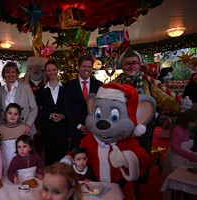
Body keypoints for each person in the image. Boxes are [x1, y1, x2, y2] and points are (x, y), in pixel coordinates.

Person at [111, 46, 189, 198]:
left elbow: (164, 99)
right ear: (122, 66)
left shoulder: (149, 83)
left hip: (144, 128)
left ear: (139, 65)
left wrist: (179, 104)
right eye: (128, 64)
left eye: (135, 63)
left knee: (141, 156)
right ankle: (123, 183)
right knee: (123, 156)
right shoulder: (115, 83)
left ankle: (138, 185)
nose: (132, 66)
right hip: (123, 129)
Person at [64, 54, 103, 150]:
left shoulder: (99, 85)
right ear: (78, 67)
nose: (87, 69)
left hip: (94, 130)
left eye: (89, 66)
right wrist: (79, 126)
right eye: (84, 66)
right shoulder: (70, 86)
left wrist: (93, 125)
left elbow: (102, 107)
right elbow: (67, 108)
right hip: (76, 131)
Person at [36, 60, 68, 165]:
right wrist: (49, 115)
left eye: (54, 70)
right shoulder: (42, 90)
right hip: (47, 129)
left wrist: (63, 116)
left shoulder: (66, 88)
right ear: (46, 72)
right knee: (49, 156)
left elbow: (70, 107)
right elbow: (37, 109)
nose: (52, 72)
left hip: (63, 129)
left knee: (62, 155)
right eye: (49, 70)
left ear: (57, 70)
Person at [162, 108, 197, 200]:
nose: (194, 125)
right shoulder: (177, 129)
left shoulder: (185, 128)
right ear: (187, 120)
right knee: (172, 181)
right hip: (174, 158)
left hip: (180, 157)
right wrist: (191, 156)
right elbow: (175, 147)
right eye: (193, 122)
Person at [0, 62, 38, 138]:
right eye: (7, 72)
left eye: (13, 72)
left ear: (17, 74)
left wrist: (28, 124)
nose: (10, 75)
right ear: (3, 74)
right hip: (6, 130)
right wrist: (0, 125)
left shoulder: (26, 87)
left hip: (25, 129)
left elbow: (34, 108)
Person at [24, 56, 46, 155]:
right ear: (29, 69)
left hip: (44, 121)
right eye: (33, 67)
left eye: (39, 67)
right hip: (28, 122)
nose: (36, 70)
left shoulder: (48, 84)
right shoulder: (23, 83)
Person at [0, 103, 26, 175]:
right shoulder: (0, 129)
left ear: (19, 116)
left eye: (15, 114)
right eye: (10, 113)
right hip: (6, 161)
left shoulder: (23, 128)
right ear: (5, 114)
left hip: (21, 161)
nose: (12, 116)